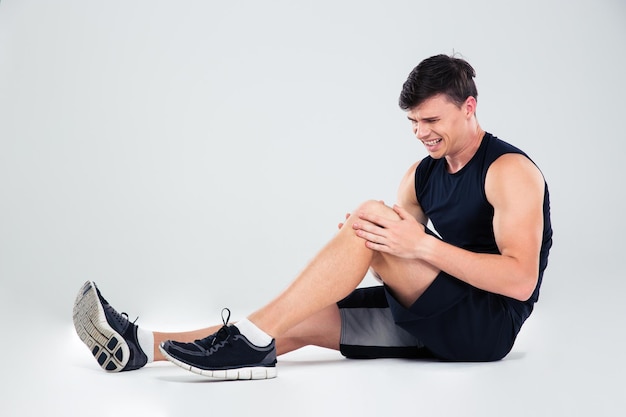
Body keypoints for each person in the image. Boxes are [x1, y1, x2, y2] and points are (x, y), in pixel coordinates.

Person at [73, 54, 553, 380]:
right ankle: (141, 345)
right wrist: (367, 237)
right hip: (439, 312)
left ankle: (250, 339)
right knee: (296, 320)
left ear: (469, 108)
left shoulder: (508, 171)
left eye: (432, 121)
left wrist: (408, 242)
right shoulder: (421, 175)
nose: (421, 133)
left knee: (370, 220)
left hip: (486, 326)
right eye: (413, 123)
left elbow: (520, 281)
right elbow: (394, 249)